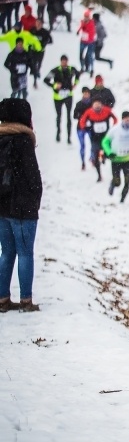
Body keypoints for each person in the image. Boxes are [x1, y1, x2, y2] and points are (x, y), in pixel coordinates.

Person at [0, 98, 42, 313]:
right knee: (25, 253)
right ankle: (26, 300)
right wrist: (35, 201)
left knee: (6, 253)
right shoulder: (23, 141)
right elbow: (33, 177)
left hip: (2, 207)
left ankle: (2, 299)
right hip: (23, 208)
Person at [78, 97, 117, 182]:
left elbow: (115, 118)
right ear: (92, 105)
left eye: (99, 104)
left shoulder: (107, 110)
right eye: (95, 104)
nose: (97, 106)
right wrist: (85, 128)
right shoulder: (89, 112)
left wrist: (114, 127)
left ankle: (114, 173)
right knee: (95, 157)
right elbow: (82, 121)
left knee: (110, 154)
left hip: (106, 137)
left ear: (101, 104)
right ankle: (99, 175)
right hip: (94, 138)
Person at [43, 54, 80, 142]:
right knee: (59, 116)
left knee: (68, 116)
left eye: (65, 61)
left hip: (68, 95)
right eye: (63, 61)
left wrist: (75, 83)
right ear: (60, 62)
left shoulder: (71, 69)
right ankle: (58, 133)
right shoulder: (55, 70)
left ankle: (69, 137)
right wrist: (54, 85)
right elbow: (46, 80)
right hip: (57, 96)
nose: (64, 63)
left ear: (67, 61)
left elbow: (78, 74)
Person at [29, 17, 52, 88]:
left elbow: (51, 40)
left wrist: (45, 42)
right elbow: (27, 39)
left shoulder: (45, 32)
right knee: (33, 64)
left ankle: (36, 73)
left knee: (38, 64)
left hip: (40, 51)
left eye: (40, 23)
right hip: (32, 50)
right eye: (37, 22)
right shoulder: (32, 30)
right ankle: (35, 80)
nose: (38, 24)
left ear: (42, 24)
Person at [73, 87, 92, 170]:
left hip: (90, 127)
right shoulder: (79, 104)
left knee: (93, 144)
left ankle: (92, 159)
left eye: (87, 93)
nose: (86, 95)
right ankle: (83, 162)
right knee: (82, 145)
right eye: (85, 93)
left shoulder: (93, 103)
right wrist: (82, 117)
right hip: (80, 127)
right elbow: (74, 115)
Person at [76, 9, 96, 75]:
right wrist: (78, 31)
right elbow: (81, 26)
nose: (86, 18)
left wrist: (86, 30)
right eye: (85, 16)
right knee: (81, 55)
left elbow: (92, 32)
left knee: (89, 56)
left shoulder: (91, 23)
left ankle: (91, 69)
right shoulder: (83, 22)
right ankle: (82, 68)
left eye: (87, 17)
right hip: (83, 41)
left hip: (90, 42)